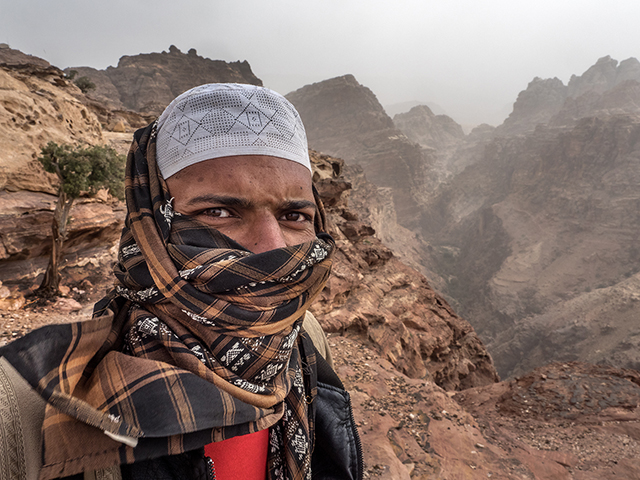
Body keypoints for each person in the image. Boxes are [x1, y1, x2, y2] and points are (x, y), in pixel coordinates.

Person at [0, 84, 362, 480]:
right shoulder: (20, 409)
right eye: (219, 211)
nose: (270, 248)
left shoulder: (304, 338)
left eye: (294, 216)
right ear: (152, 223)